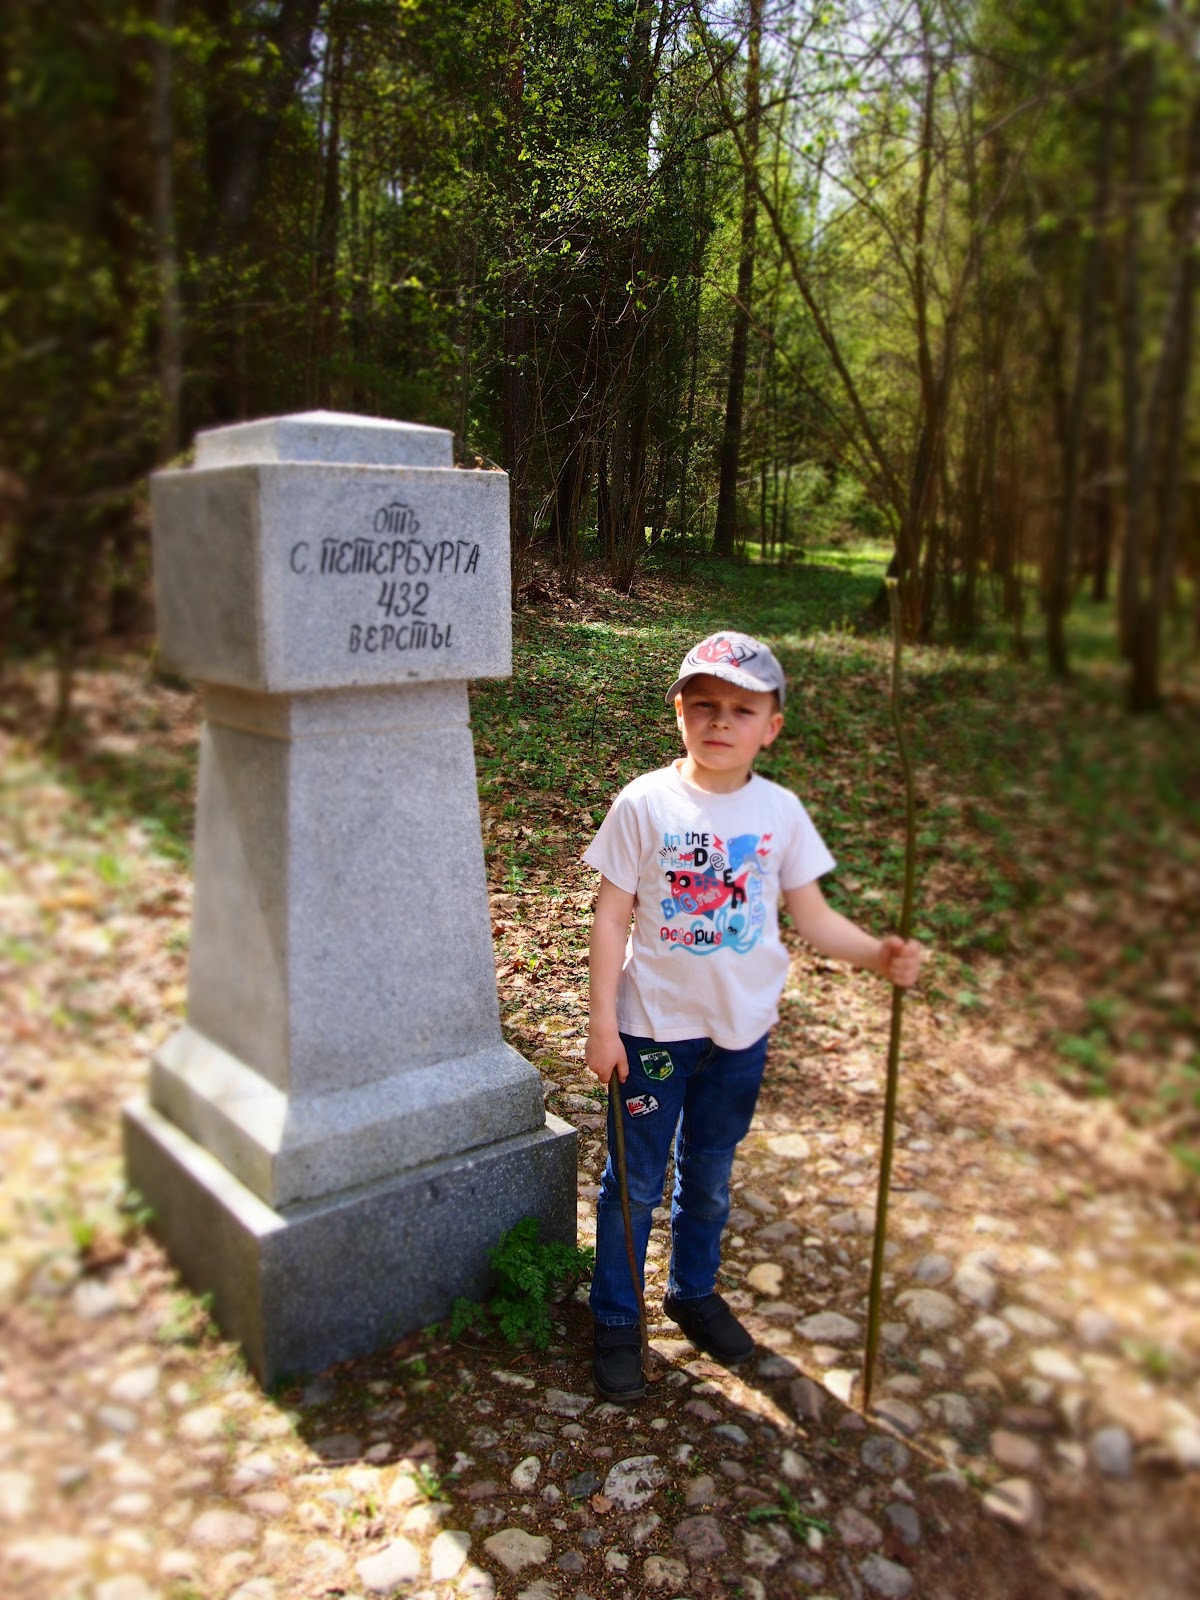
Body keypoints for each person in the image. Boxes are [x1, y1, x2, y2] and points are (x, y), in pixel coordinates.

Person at [582, 630, 924, 1401]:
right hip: (651, 1033)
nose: (720, 721)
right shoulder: (645, 803)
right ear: (678, 712)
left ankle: (693, 1292)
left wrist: (877, 953)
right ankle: (615, 1316)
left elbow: (812, 916)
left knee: (708, 1174)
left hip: (738, 1038)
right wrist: (603, 1022)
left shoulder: (781, 812)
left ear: (771, 726)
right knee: (633, 1181)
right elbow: (610, 917)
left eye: (742, 709)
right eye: (703, 705)